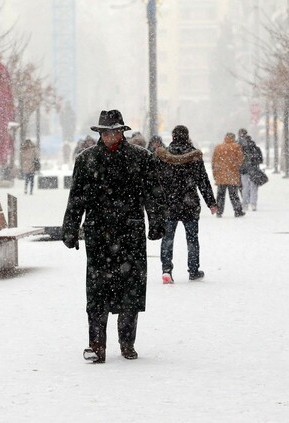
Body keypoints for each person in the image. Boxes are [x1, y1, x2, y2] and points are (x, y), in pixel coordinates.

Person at [62, 110, 168, 364]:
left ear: (123, 131)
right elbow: (77, 197)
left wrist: (157, 222)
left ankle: (127, 341)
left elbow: (153, 193)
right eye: (106, 132)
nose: (110, 136)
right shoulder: (87, 160)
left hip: (129, 232)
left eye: (115, 131)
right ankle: (96, 344)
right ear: (99, 133)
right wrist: (70, 228)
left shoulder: (141, 158)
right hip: (99, 233)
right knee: (97, 289)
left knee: (131, 288)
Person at [158, 125, 218, 284]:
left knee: (167, 238)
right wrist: (211, 202)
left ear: (173, 137)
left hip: (169, 203)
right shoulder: (195, 156)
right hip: (189, 203)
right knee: (192, 239)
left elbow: (157, 182)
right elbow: (203, 181)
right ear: (187, 137)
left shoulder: (164, 156)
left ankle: (166, 270)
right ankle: (193, 270)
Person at [212, 132, 245, 218]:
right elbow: (240, 160)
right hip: (232, 175)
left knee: (220, 195)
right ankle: (238, 210)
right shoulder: (236, 147)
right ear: (233, 138)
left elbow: (214, 162)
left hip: (221, 175)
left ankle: (219, 211)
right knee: (234, 195)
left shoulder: (218, 147)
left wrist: (215, 175)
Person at [240, 134, 264, 211]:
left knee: (245, 188)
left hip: (244, 170)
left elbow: (239, 160)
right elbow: (260, 160)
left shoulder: (241, 149)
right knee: (254, 188)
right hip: (254, 170)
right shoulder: (257, 149)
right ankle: (253, 204)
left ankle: (245, 205)